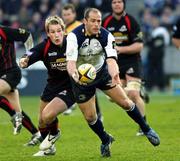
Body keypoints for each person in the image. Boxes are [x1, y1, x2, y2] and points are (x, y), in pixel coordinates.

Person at [66, 8, 160, 157]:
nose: (97, 24)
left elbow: (111, 59)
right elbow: (70, 63)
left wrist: (115, 73)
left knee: (125, 102)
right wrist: (74, 75)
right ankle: (105, 139)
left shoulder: (106, 35)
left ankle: (146, 128)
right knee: (90, 117)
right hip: (81, 78)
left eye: (99, 21)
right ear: (85, 21)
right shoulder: (73, 36)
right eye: (93, 21)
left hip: (102, 73)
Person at [19, 15, 76, 156]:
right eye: (53, 32)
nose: (56, 35)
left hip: (70, 87)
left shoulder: (73, 42)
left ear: (64, 30)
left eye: (59, 31)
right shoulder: (45, 46)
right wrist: (24, 60)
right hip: (52, 86)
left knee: (47, 115)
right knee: (41, 122)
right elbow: (30, 53)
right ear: (48, 33)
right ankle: (50, 150)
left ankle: (55, 133)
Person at [102, 0, 148, 136]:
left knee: (133, 94)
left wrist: (120, 49)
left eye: (119, 2)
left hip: (131, 61)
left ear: (124, 4)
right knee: (113, 97)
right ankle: (140, 89)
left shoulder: (131, 21)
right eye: (114, 2)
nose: (117, 4)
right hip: (113, 63)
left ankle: (143, 125)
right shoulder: (105, 22)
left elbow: (139, 46)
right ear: (111, 4)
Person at [0, 25, 41, 144]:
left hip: (11, 73)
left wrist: (29, 56)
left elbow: (26, 35)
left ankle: (14, 116)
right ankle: (37, 134)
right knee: (18, 111)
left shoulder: (4, 31)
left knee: (14, 112)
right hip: (2, 77)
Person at [62, 3, 102, 119]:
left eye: (69, 14)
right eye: (64, 14)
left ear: (74, 14)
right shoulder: (63, 28)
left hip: (83, 60)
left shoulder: (79, 26)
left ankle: (74, 104)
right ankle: (73, 103)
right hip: (70, 60)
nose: (66, 17)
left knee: (87, 83)